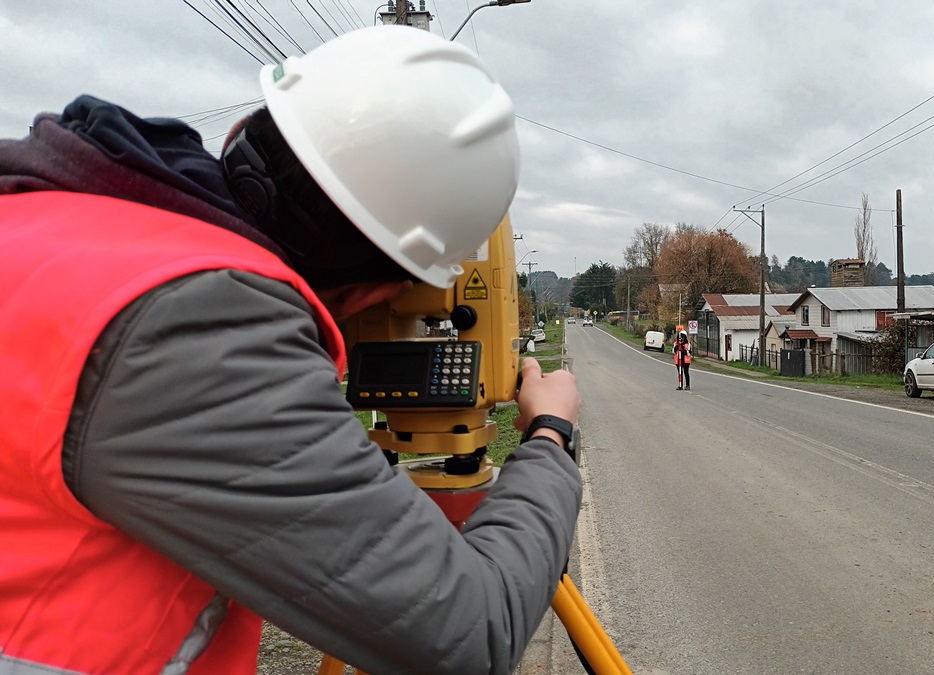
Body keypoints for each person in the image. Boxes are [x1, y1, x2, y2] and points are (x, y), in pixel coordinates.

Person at [0, 26, 582, 675]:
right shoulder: (197, 333)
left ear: (244, 130)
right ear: (379, 288)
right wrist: (550, 437)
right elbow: (474, 628)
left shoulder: (37, 213)